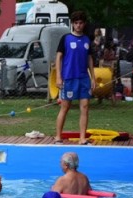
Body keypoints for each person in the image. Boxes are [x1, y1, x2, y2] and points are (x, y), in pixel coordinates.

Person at [54, 11, 95, 145]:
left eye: (81, 23)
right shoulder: (65, 38)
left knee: (85, 107)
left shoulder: (87, 39)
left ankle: (82, 138)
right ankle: (58, 136)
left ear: (84, 24)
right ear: (72, 24)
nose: (78, 25)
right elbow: (59, 58)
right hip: (69, 78)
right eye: (76, 23)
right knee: (65, 107)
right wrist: (58, 77)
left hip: (83, 78)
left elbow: (89, 59)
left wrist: (93, 78)